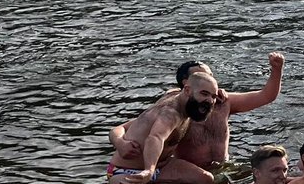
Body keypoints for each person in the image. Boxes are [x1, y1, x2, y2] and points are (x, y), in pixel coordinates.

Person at [110, 52, 284, 169]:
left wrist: (276, 69)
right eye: (200, 79)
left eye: (210, 77)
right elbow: (123, 128)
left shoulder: (223, 101)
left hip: (223, 167)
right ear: (186, 85)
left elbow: (266, 96)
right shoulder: (174, 107)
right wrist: (120, 143)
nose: (207, 82)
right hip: (188, 170)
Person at [106, 72, 221, 184]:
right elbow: (155, 138)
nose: (210, 101)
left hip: (163, 166)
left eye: (213, 96)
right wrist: (148, 170)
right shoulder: (170, 113)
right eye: (204, 94)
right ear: (187, 90)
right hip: (124, 171)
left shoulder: (182, 101)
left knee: (206, 179)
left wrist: (223, 94)